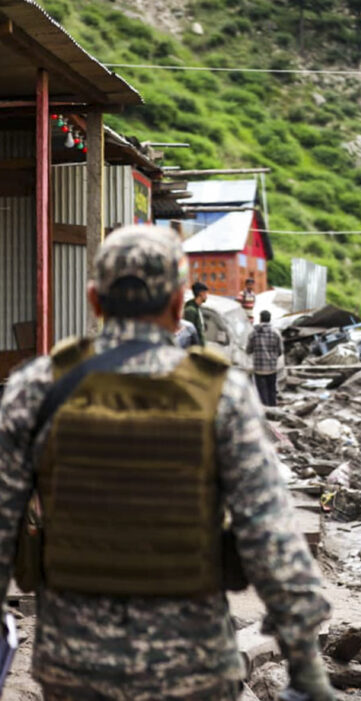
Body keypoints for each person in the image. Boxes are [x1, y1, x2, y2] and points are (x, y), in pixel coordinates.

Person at [0, 225, 333, 701]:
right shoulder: (222, 394)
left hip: (75, 663)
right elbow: (269, 532)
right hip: (193, 665)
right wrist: (305, 665)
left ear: (95, 301)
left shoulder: (36, 388)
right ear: (179, 305)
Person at [246, 310, 284, 407]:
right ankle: (274, 411)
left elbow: (248, 350)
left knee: (262, 393)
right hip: (272, 368)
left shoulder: (253, 333)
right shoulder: (276, 333)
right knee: (272, 391)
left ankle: (266, 414)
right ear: (270, 319)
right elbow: (280, 351)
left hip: (259, 369)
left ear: (260, 319)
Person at [183, 281, 209, 346]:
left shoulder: (197, 308)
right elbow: (189, 335)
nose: (206, 296)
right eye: (205, 293)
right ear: (201, 293)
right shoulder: (191, 310)